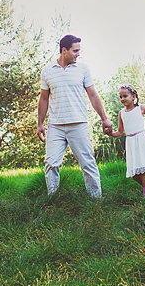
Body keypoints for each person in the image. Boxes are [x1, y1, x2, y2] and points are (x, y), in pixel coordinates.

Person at [37, 34, 112, 197]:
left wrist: (104, 118)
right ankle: (53, 199)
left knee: (87, 163)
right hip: (55, 126)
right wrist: (40, 124)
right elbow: (43, 98)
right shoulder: (47, 71)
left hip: (78, 124)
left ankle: (96, 199)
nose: (78, 54)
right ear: (64, 50)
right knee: (51, 163)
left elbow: (93, 95)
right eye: (75, 50)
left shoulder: (83, 69)